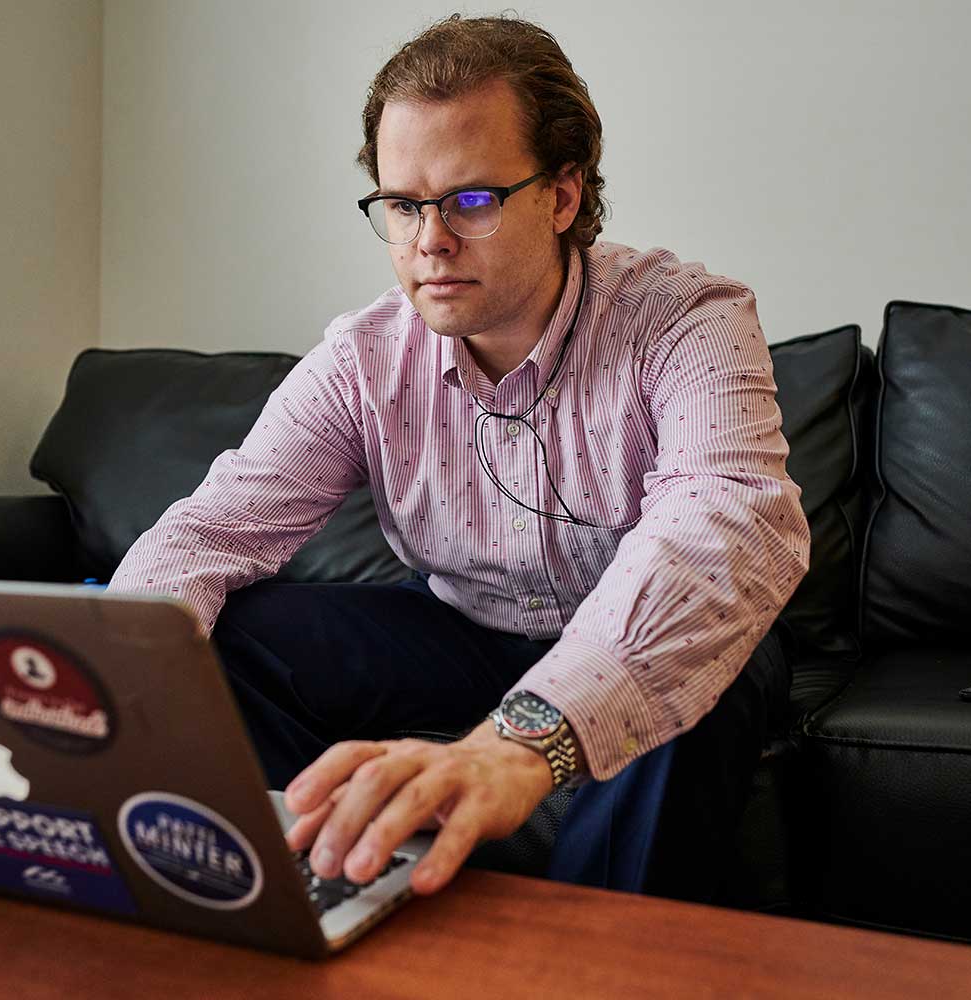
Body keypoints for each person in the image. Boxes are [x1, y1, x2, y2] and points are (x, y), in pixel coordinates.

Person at [110, 14, 809, 903]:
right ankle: (327, 881)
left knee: (697, 677)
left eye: (470, 201)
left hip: (645, 628)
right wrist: (103, 671)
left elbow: (722, 529)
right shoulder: (364, 359)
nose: (428, 242)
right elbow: (216, 527)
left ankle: (586, 959)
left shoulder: (688, 321)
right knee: (220, 633)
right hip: (462, 628)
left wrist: (520, 744)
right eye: (402, 205)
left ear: (563, 195)